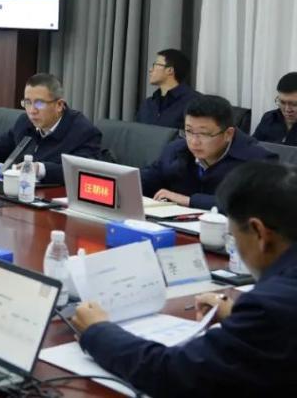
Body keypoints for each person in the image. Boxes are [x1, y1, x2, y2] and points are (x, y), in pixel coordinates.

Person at [71, 161, 297, 395]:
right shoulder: (275, 305)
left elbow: (172, 373)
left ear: (259, 233)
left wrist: (97, 331)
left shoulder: (270, 307)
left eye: (232, 236)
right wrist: (241, 318)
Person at [141, 94, 277, 209]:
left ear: (228, 134)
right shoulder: (176, 150)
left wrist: (190, 201)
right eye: (189, 131)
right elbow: (147, 181)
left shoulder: (258, 161)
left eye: (204, 134)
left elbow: (253, 204)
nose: (194, 142)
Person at [0, 73, 102, 185]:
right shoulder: (24, 122)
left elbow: (81, 171)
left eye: (39, 103)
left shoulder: (83, 132)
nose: (32, 111)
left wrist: (39, 169)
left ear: (59, 105)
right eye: (28, 102)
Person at [136, 49, 199, 129]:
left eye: (155, 65)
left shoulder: (195, 102)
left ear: (170, 70)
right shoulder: (147, 104)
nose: (150, 70)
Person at [253, 72, 297, 146]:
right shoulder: (269, 118)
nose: (287, 109)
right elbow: (252, 146)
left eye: (294, 104)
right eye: (282, 102)